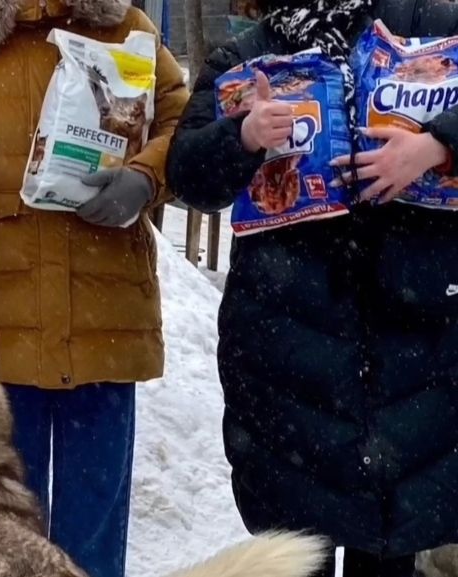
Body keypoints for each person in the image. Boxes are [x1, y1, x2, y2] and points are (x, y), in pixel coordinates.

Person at [167, 1, 458, 575]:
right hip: (287, 350)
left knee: (393, 540)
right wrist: (243, 136)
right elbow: (188, 176)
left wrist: (437, 145)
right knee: (300, 551)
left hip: (413, 347)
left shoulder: (431, 25)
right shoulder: (248, 53)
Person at [0, 0, 188, 574]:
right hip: (0, 312)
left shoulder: (126, 28)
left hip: (106, 309)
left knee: (91, 531)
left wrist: (144, 178)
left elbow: (180, 119)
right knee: (2, 524)